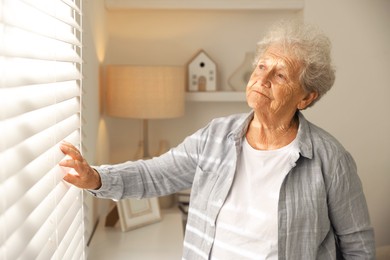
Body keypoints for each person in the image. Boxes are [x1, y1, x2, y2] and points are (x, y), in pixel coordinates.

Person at [60, 20, 375, 259]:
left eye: (279, 75)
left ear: (306, 97)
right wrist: (97, 177)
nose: (261, 79)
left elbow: (357, 245)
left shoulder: (329, 159)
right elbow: (156, 174)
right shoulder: (215, 136)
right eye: (262, 66)